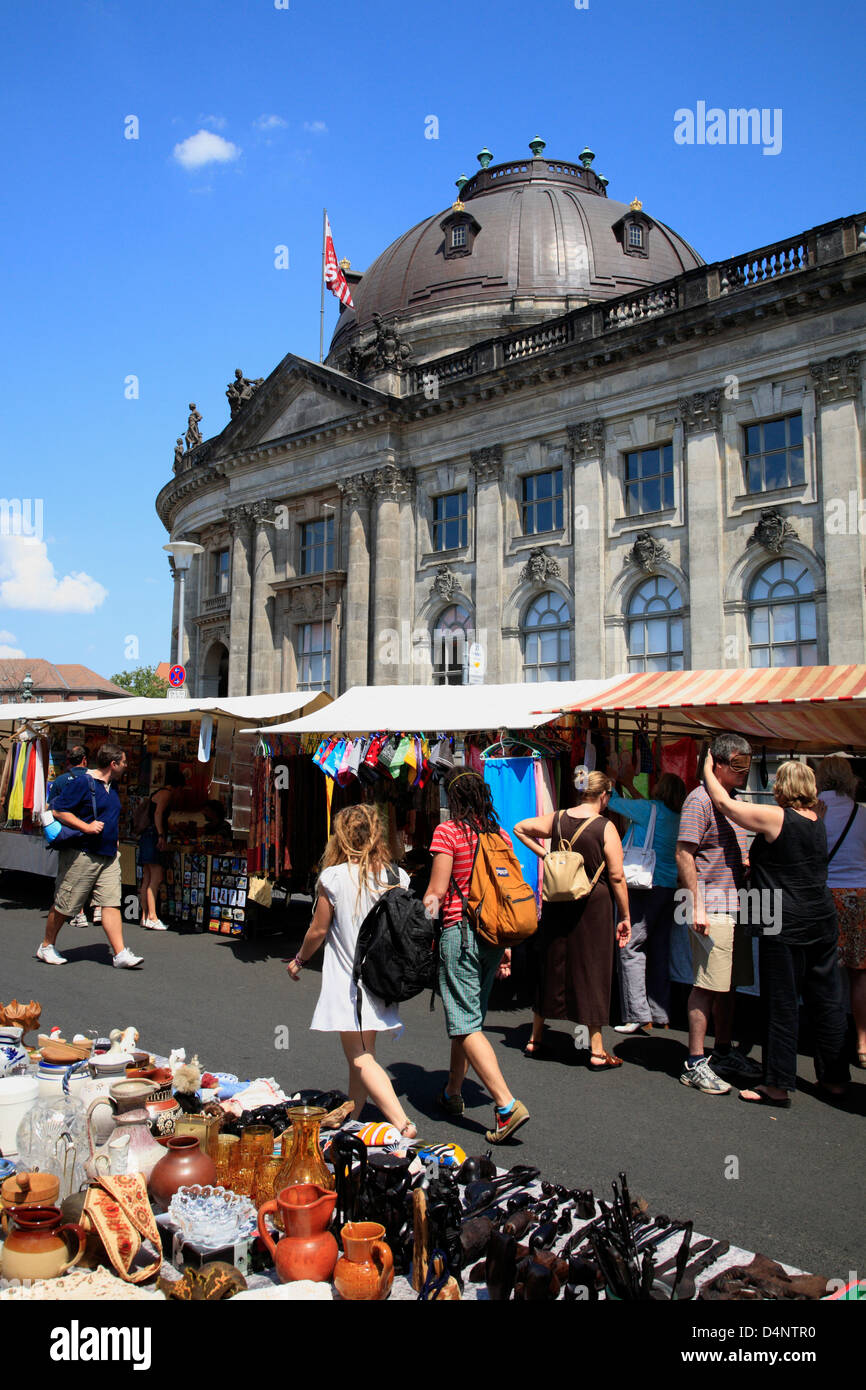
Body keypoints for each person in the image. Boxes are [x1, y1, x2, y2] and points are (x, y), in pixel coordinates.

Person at [704, 755, 849, 1106]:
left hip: (784, 919)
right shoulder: (818, 818)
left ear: (781, 787)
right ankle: (834, 1078)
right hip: (821, 915)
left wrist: (708, 768)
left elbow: (725, 804)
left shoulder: (776, 817)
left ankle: (777, 1084)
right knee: (826, 1000)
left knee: (781, 1002)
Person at [287, 805, 417, 1139]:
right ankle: (352, 1116)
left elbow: (318, 931)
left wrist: (299, 960)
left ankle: (402, 1123)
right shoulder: (396, 876)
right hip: (383, 979)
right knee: (364, 1054)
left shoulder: (333, 877)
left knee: (359, 1056)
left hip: (350, 984)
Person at [423, 769, 529, 1143]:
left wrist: (420, 921)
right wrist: (507, 950)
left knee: (465, 1023)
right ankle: (454, 1092)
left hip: (461, 933)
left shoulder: (448, 833)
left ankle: (505, 1106)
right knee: (468, 1016)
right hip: (494, 936)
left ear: (454, 799)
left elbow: (436, 892)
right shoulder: (499, 835)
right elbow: (507, 892)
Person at [513, 767, 631, 1070]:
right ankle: (596, 1049)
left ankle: (535, 1037)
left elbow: (520, 828)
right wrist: (626, 915)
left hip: (558, 901)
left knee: (551, 963)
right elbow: (617, 875)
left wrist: (547, 857)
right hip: (593, 905)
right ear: (603, 796)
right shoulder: (605, 827)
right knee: (592, 968)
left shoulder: (559, 818)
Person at [675, 734, 761, 1094]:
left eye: (747, 764)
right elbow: (684, 853)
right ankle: (695, 1062)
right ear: (718, 764)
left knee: (728, 984)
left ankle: (721, 1051)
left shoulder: (731, 801)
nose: (745, 771)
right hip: (711, 906)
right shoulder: (699, 801)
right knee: (707, 985)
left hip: (733, 903)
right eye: (739, 764)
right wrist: (696, 905)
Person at [37, 743, 143, 969]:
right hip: (83, 854)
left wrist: (113, 840)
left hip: (107, 855)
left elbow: (109, 815)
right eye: (123, 762)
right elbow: (58, 810)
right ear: (113, 764)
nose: (126, 766)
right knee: (65, 904)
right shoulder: (84, 783)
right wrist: (86, 827)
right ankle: (46, 945)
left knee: (111, 902)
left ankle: (120, 953)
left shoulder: (111, 786)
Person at [607, 759, 687, 1033]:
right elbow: (647, 812)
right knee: (660, 950)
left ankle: (637, 1013)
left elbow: (613, 802)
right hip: (669, 888)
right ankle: (660, 1012)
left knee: (631, 947)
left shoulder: (649, 809)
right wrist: (628, 783)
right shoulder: (679, 817)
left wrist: (612, 777)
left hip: (643, 886)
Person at [816, 755, 866, 1069]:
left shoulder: (813, 813)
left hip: (825, 895)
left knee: (826, 975)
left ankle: (829, 1041)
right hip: (860, 895)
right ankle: (863, 1042)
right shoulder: (861, 815)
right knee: (859, 974)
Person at [49, 746, 101, 929]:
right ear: (85, 760)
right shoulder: (94, 779)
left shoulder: (61, 780)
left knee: (70, 876)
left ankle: (78, 913)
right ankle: (97, 908)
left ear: (69, 760)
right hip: (92, 833)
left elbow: (52, 809)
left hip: (68, 834)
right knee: (94, 871)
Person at [138, 766, 185, 931]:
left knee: (147, 877)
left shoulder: (157, 793)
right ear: (177, 786)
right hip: (153, 837)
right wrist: (160, 835)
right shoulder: (166, 794)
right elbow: (158, 814)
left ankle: (144, 915)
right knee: (156, 878)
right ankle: (152, 916)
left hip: (146, 836)